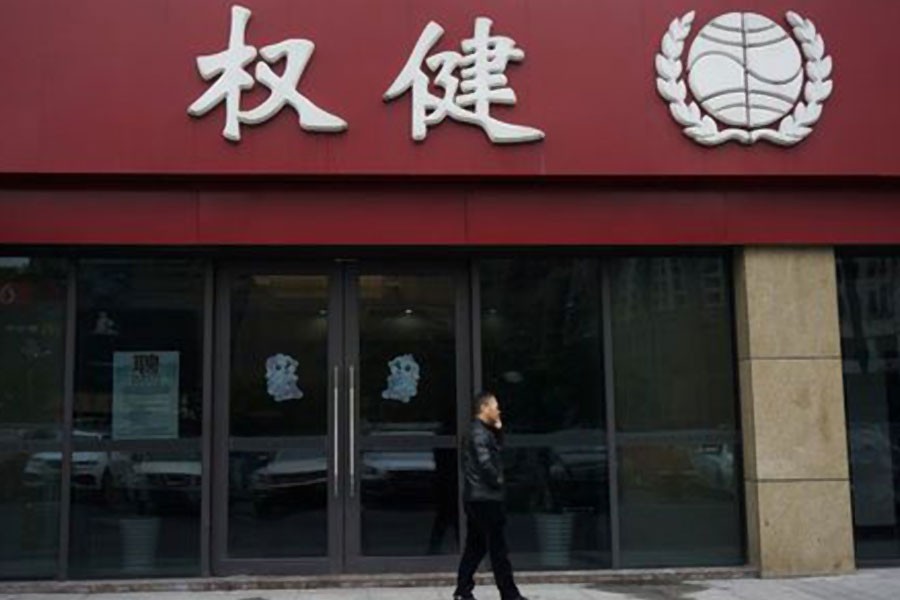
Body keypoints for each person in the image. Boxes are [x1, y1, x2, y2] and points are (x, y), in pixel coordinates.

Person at [453, 391, 528, 600]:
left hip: (478, 498)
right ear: (484, 408)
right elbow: (485, 463)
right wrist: (498, 480)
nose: (498, 410)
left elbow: (495, 452)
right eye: (495, 406)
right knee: (498, 549)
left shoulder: (483, 431)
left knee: (476, 546)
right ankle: (509, 594)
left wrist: (498, 429)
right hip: (485, 498)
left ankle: (463, 589)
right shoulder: (478, 433)